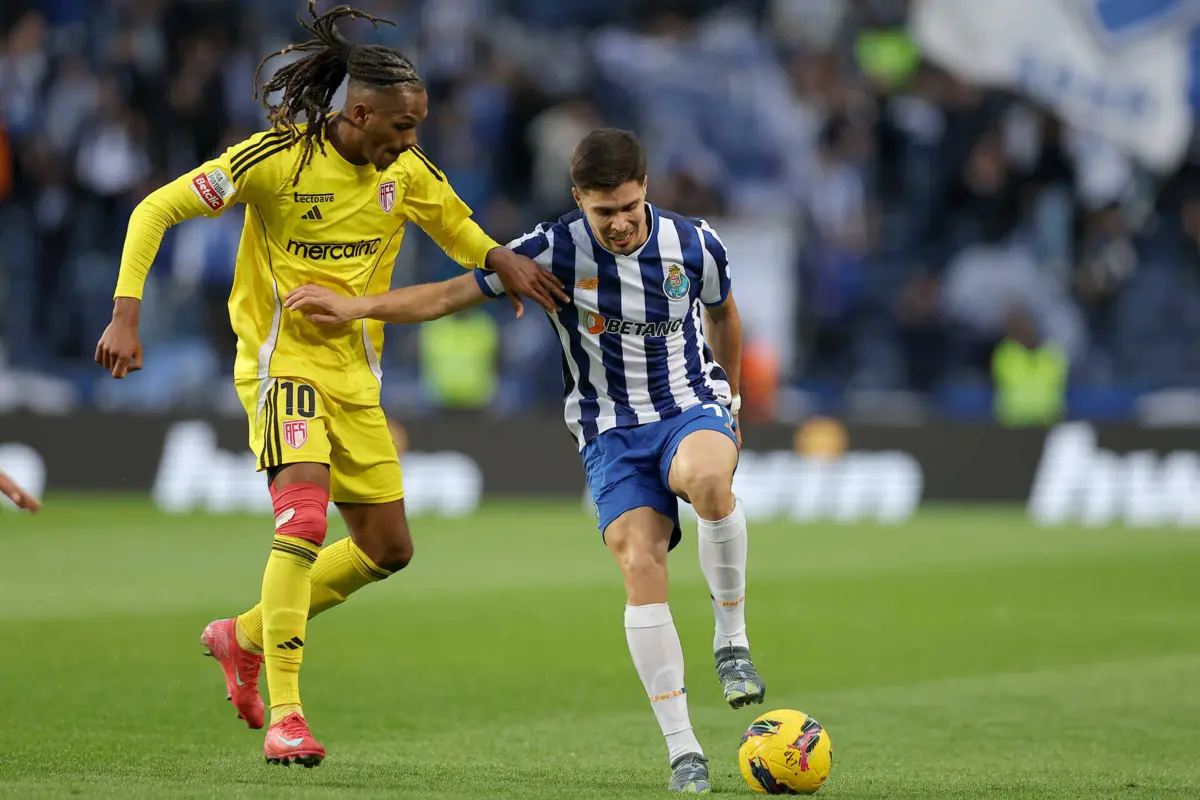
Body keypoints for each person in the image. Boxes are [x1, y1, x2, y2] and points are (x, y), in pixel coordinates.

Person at [93, 0, 568, 769]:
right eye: (401, 127)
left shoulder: (404, 171)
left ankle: (242, 636)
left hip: (357, 377)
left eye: (418, 128)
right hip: (283, 366)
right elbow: (155, 209)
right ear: (360, 111)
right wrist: (126, 314)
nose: (411, 143)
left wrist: (497, 257)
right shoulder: (274, 159)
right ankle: (287, 716)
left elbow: (455, 226)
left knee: (387, 548)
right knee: (305, 522)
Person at [285, 128, 763, 794]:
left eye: (628, 206)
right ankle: (684, 749)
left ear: (645, 189)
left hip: (688, 405)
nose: (620, 223)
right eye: (604, 212)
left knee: (709, 478)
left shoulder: (696, 243)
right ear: (578, 201)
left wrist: (731, 394)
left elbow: (725, 315)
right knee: (638, 561)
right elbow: (450, 294)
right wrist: (358, 305)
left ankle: (731, 641)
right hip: (608, 430)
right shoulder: (551, 250)